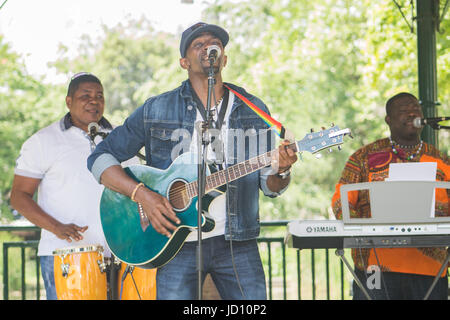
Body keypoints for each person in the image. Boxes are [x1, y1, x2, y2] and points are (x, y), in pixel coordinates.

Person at [87, 22, 298, 300]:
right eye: (198, 45)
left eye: (215, 44)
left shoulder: (252, 109)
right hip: (175, 240)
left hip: (237, 241)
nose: (208, 48)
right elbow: (99, 159)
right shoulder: (156, 108)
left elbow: (269, 186)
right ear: (184, 62)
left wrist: (281, 170)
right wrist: (144, 196)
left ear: (224, 58)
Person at [331, 92, 450, 300]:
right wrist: (359, 232)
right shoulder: (363, 157)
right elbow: (341, 200)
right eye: (404, 111)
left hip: (430, 268)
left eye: (416, 110)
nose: (412, 113)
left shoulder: (440, 160)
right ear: (389, 120)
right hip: (376, 264)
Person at [10, 72, 116, 300]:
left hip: (116, 256)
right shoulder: (43, 140)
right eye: (85, 95)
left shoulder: (120, 137)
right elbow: (19, 196)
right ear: (69, 101)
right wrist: (57, 227)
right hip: (64, 256)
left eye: (99, 96)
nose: (94, 101)